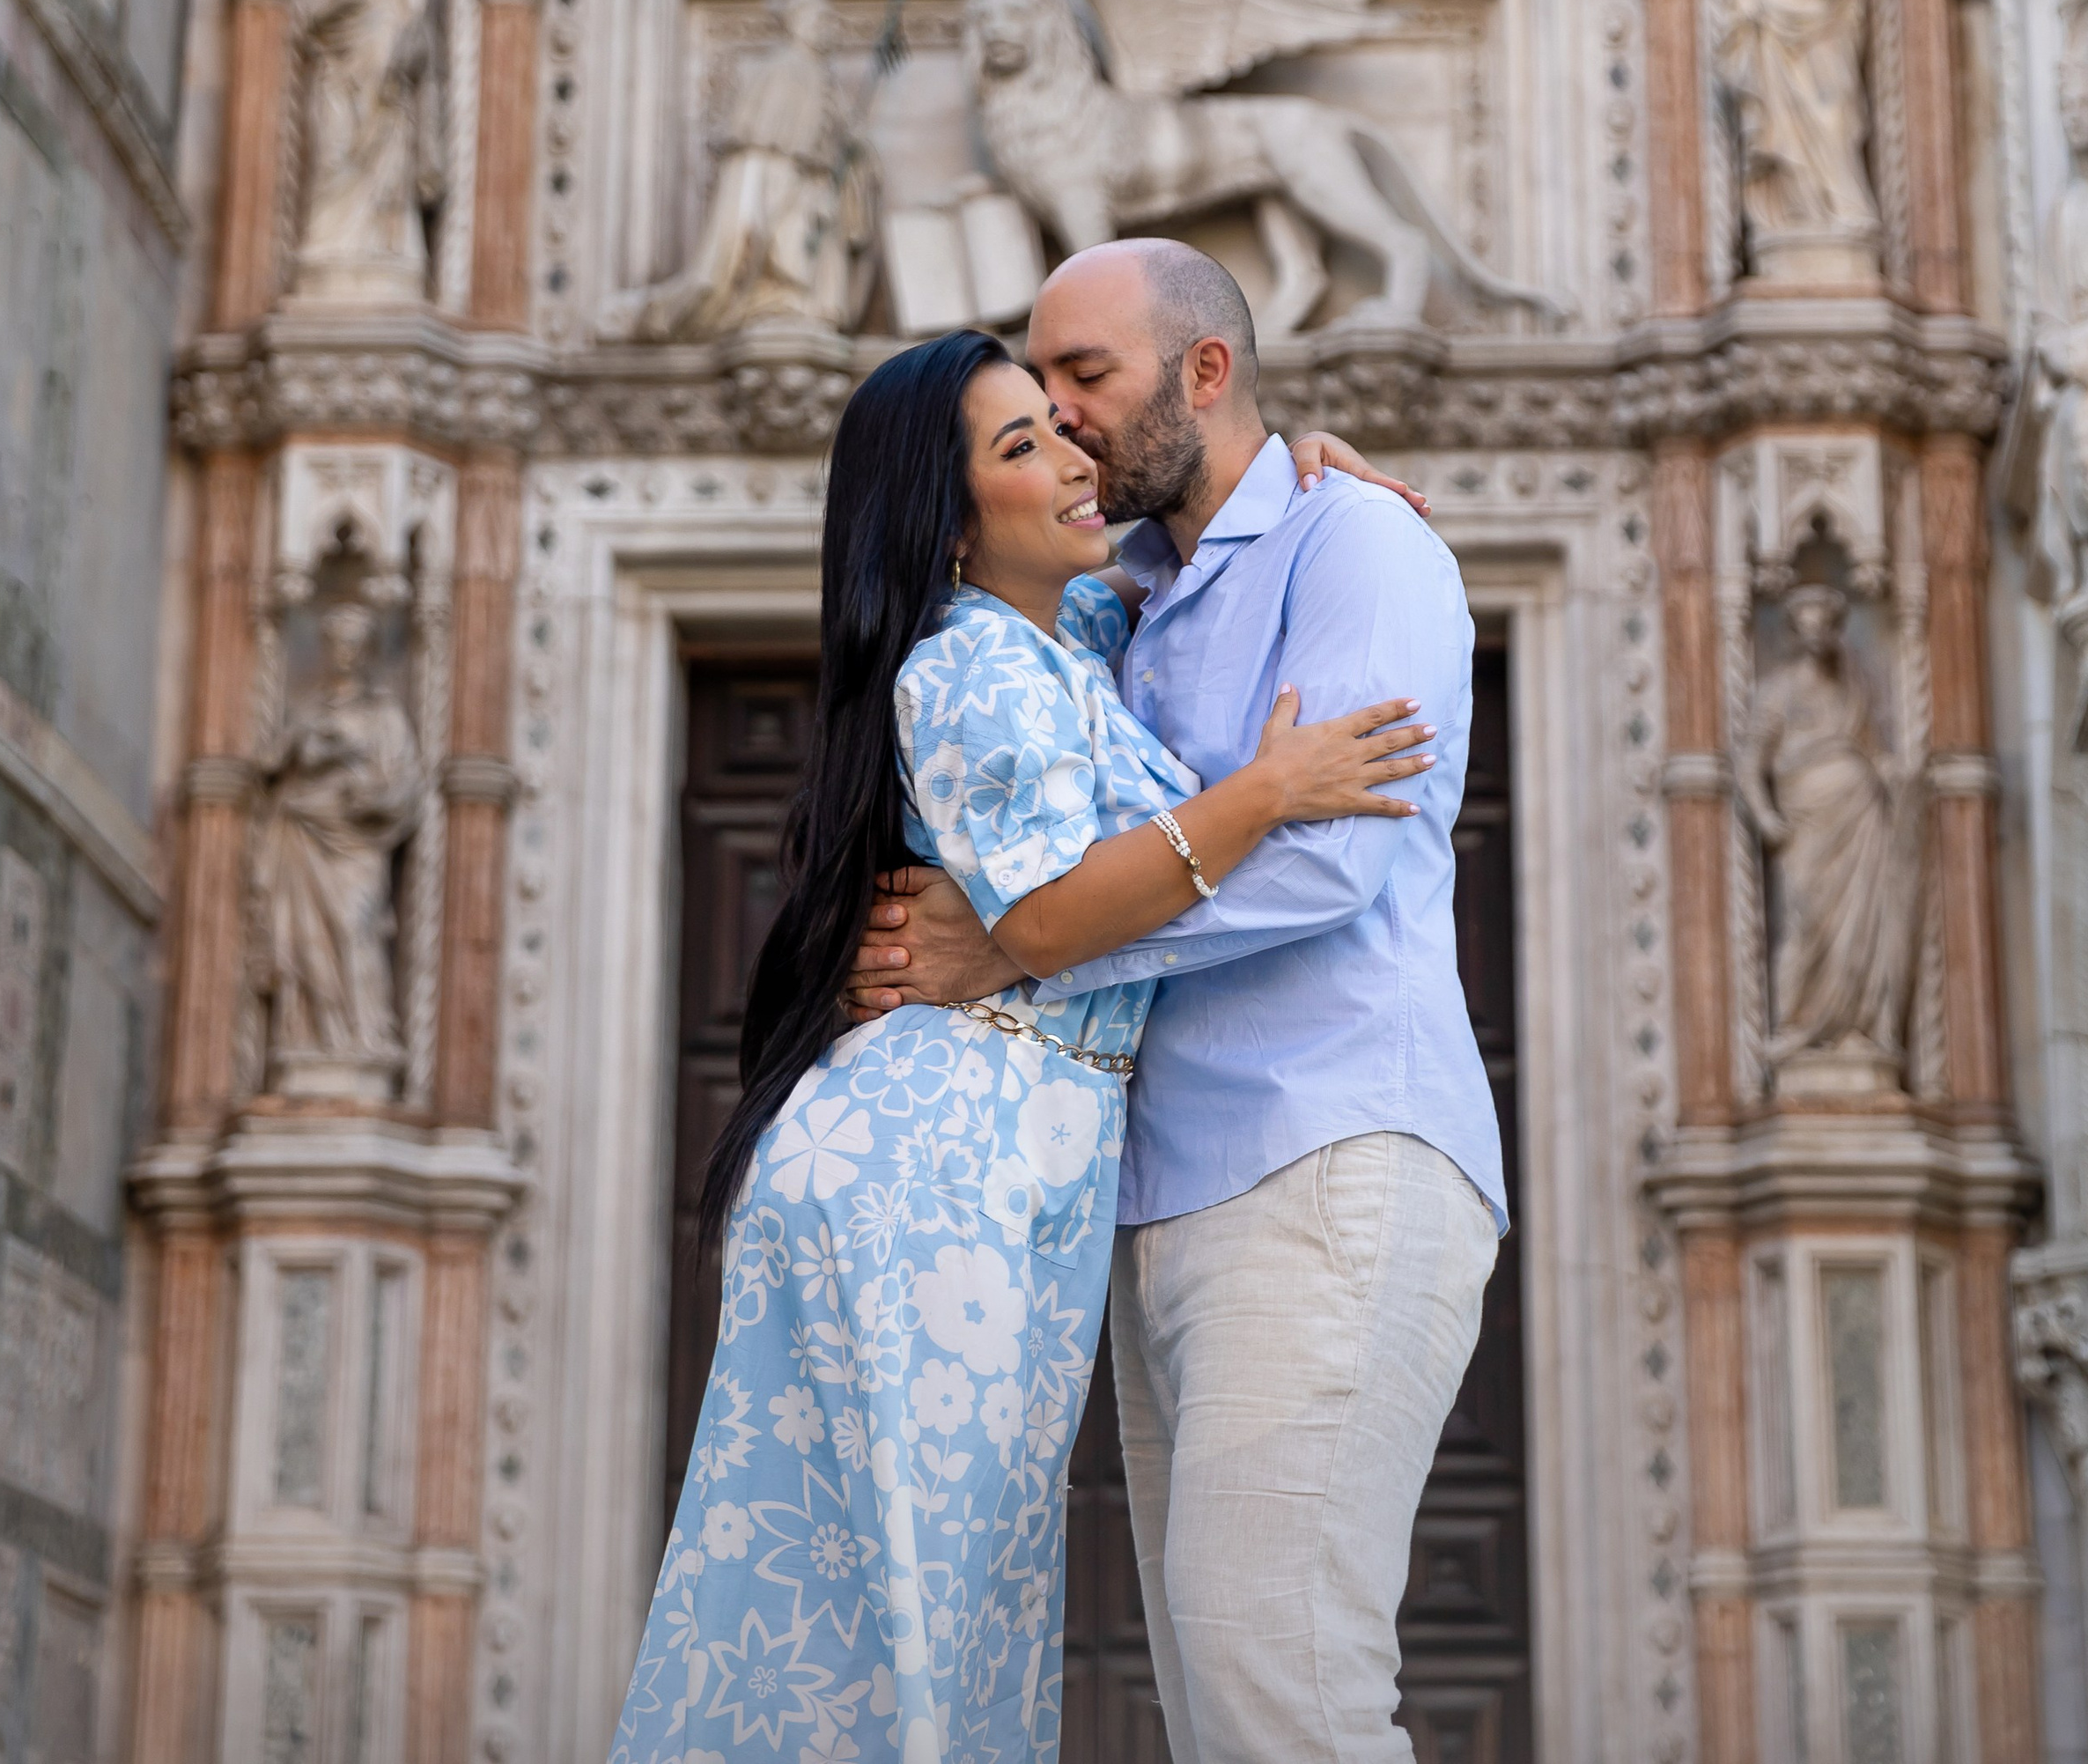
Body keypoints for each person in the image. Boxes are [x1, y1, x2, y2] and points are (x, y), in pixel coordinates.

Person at [611, 328, 1432, 1764]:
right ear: (946, 524)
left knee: (943, 1605)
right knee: (914, 1611)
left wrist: (1317, 479)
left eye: (1063, 427)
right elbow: (1048, 914)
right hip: (932, 1176)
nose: (1068, 456)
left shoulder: (1077, 638)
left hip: (1008, 1168)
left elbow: (1211, 533)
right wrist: (1267, 793)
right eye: (1021, 446)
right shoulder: (971, 668)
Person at [851, 240, 1507, 1764]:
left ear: (1205, 374)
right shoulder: (1113, 600)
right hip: (1158, 1205)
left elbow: (1330, 868)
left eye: (1087, 378)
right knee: (1229, 1699)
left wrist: (1018, 945)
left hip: (1329, 1157)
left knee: (1287, 1688)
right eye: (1043, 386)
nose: (1061, 417)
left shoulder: (1360, 551)